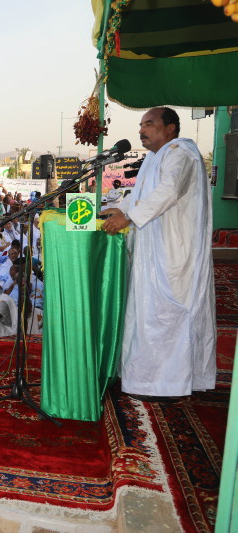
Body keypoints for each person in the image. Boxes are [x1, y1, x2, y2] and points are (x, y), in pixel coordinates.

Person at [101, 107, 216, 400]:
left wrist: (128, 218)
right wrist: (121, 209)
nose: (142, 130)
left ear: (171, 128)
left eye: (150, 124)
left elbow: (168, 191)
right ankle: (144, 378)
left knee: (167, 315)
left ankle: (167, 385)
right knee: (146, 314)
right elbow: (141, 196)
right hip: (150, 248)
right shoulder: (154, 157)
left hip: (173, 252)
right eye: (141, 125)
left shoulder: (181, 153)